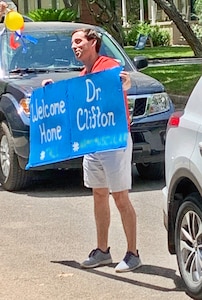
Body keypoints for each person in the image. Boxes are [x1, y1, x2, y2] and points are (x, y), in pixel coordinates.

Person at [43, 28, 142, 272]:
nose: (74, 46)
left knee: (120, 196)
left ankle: (132, 253)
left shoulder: (109, 65)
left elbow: (123, 79)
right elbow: (73, 103)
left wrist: (125, 81)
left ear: (93, 42)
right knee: (99, 193)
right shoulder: (83, 74)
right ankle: (102, 251)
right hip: (92, 143)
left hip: (114, 140)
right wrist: (51, 90)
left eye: (78, 41)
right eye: (72, 43)